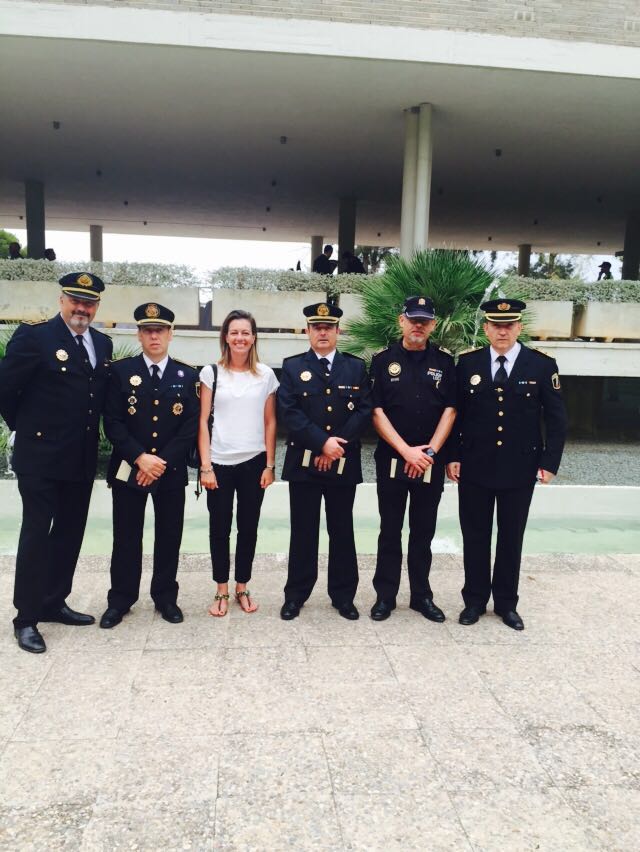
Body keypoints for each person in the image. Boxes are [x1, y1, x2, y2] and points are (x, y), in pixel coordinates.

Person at [0, 272, 112, 653]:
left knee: (69, 532)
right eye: (75, 300)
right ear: (62, 299)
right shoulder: (34, 336)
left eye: (90, 303)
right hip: (41, 457)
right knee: (36, 534)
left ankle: (53, 601)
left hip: (80, 459)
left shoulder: (102, 342)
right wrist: (28, 431)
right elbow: (6, 390)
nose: (82, 308)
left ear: (97, 306)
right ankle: (26, 617)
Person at [446, 299, 567, 631]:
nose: (502, 330)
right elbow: (456, 415)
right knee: (475, 535)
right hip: (474, 466)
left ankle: (506, 604)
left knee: (511, 537)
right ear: (485, 328)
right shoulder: (467, 364)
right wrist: (453, 455)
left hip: (520, 467)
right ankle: (473, 601)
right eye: (495, 325)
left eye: (508, 324)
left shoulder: (542, 365)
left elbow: (557, 419)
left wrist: (549, 462)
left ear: (519, 327)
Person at [99, 302, 198, 629]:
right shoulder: (120, 371)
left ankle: (165, 597)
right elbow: (112, 421)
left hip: (170, 471)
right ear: (139, 334)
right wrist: (140, 457)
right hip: (129, 467)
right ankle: (121, 599)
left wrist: (161, 461)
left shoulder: (188, 374)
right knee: (126, 536)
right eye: (147, 330)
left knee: (169, 536)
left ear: (171, 334)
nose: (154, 335)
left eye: (160, 330)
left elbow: (190, 426)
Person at [278, 302, 372, 621]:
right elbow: (289, 413)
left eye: (328, 327)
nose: (322, 332)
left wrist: (336, 446)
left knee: (341, 530)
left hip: (342, 462)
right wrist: (322, 443)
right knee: (303, 531)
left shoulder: (356, 367)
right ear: (307, 331)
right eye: (316, 327)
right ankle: (296, 595)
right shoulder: (291, 367)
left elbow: (364, 411)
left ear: (337, 331)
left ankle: (343, 596)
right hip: (304, 462)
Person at [369, 296, 457, 622]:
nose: (418, 326)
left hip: (430, 462)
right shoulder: (381, 361)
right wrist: (406, 451)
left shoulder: (446, 364)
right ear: (401, 321)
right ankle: (385, 597)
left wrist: (430, 452)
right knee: (389, 531)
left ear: (433, 325)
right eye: (413, 319)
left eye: (425, 320)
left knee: (423, 532)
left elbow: (451, 410)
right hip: (393, 459)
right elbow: (375, 412)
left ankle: (421, 596)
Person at [198, 309, 278, 616]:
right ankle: (221, 589)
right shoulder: (211, 373)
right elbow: (202, 422)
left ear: (253, 337)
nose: (240, 338)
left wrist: (270, 465)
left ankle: (242, 585)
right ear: (226, 337)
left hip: (254, 461)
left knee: (248, 527)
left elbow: (271, 423)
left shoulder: (266, 375)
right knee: (219, 527)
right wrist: (206, 466)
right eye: (234, 332)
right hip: (218, 461)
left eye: (245, 332)